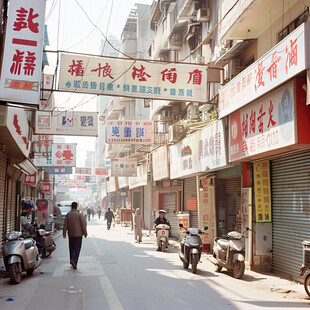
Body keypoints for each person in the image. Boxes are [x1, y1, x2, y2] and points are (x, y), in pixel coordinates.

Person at [63, 202, 87, 269]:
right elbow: (83, 224)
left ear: (71, 206)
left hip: (70, 234)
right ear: (77, 207)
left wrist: (64, 233)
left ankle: (71, 259)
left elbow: (65, 224)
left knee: (71, 247)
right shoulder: (80, 215)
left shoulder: (68, 215)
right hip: (78, 235)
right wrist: (85, 233)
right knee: (77, 248)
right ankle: (74, 260)